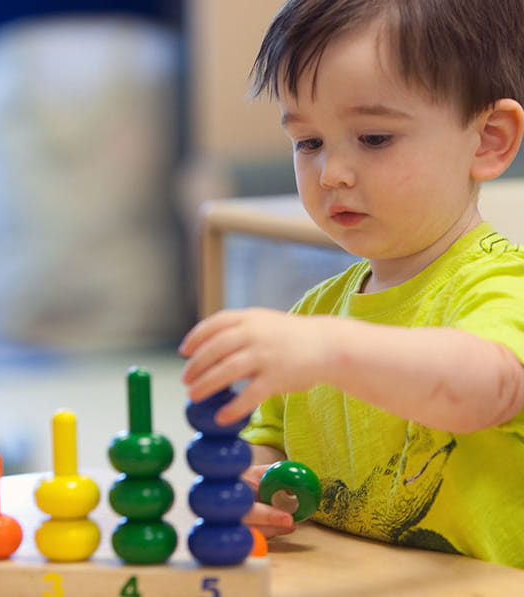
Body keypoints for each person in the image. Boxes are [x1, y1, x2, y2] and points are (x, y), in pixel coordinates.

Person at [180, 0, 524, 568]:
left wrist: (326, 350)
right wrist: (245, 481)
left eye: (373, 138)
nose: (331, 173)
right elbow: (271, 437)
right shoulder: (316, 311)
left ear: (488, 140)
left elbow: (487, 386)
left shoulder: (501, 282)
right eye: (309, 142)